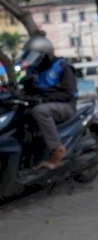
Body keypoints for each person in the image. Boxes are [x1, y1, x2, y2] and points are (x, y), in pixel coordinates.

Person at [16, 35, 77, 170]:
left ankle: (57, 149)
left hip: (66, 106)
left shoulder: (62, 67)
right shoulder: (34, 69)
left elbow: (68, 94)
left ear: (45, 55)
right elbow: (26, 88)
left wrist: (43, 98)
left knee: (40, 111)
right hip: (43, 104)